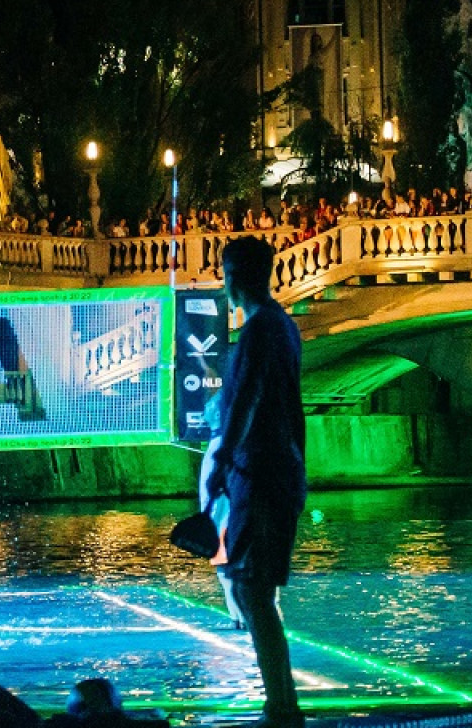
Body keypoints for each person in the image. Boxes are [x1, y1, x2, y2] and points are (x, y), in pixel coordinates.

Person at [205, 237, 305, 728]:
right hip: (278, 474)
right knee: (253, 588)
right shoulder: (285, 326)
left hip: (259, 476)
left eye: (224, 273)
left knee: (253, 590)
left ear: (235, 277)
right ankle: (281, 702)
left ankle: (282, 709)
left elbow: (246, 399)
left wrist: (223, 459)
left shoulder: (259, 330)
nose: (224, 283)